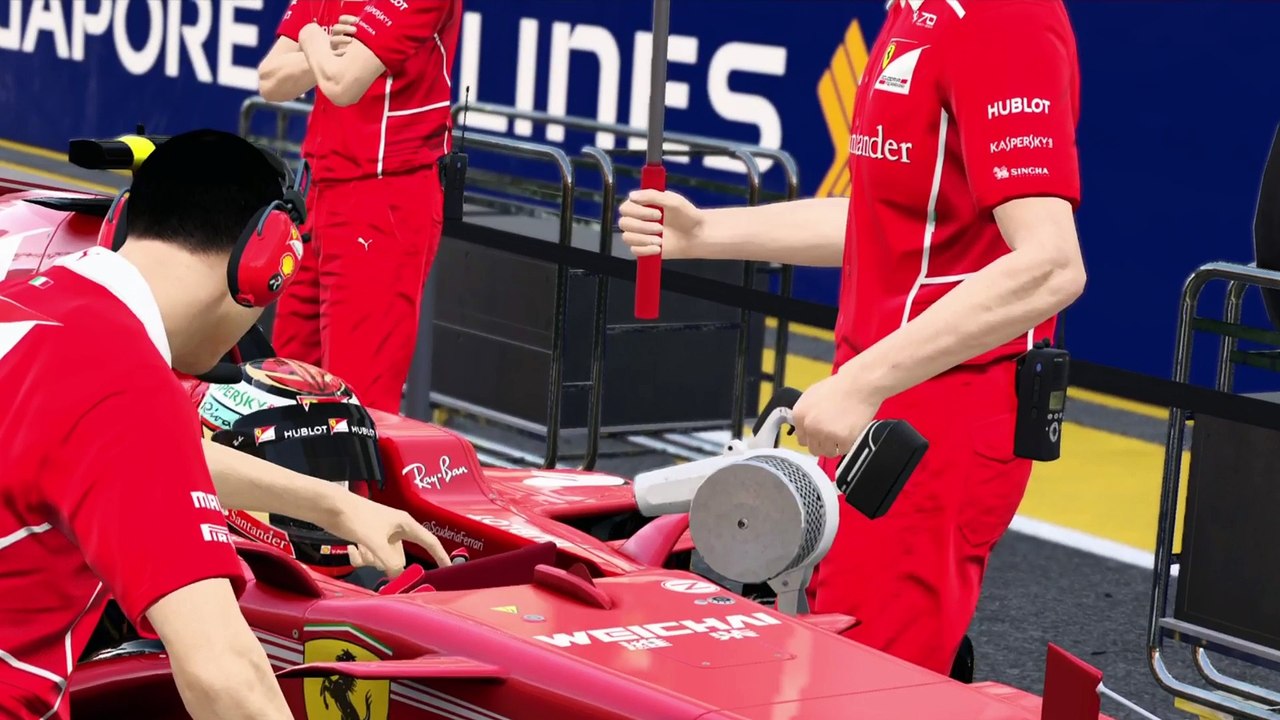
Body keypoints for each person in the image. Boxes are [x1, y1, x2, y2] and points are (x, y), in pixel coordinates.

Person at [618, 0, 1085, 675]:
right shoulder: (912, 13)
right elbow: (882, 219)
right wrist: (706, 235)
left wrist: (864, 381)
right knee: (840, 651)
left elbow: (1051, 265)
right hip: (881, 399)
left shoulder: (1000, 16)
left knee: (864, 678)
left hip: (937, 418)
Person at [256, 0, 463, 414]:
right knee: (286, 388)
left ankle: (352, 483)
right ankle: (290, 481)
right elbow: (270, 79)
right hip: (319, 192)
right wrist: (329, 46)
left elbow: (342, 83)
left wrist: (313, 38)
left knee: (354, 402)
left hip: (384, 196)